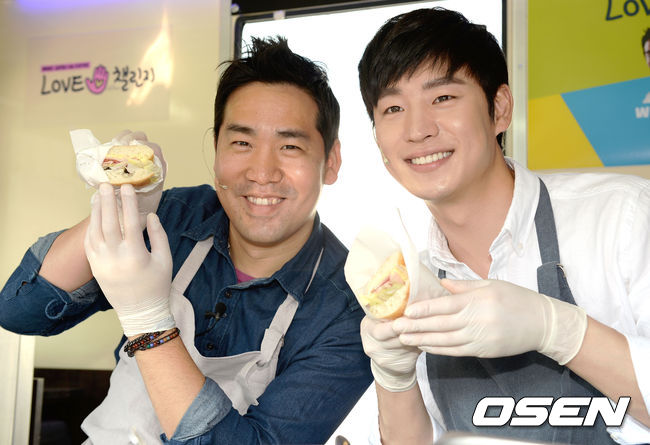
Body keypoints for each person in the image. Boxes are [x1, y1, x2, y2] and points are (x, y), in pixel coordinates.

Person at [0, 37, 372, 444]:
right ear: (216, 149)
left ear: (331, 161)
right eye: (242, 143)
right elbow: (19, 311)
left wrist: (148, 322)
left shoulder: (347, 309)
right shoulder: (178, 217)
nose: (262, 172)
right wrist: (120, 209)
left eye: (289, 146)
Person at [356, 8, 650, 445]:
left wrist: (559, 330)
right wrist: (393, 377)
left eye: (443, 98)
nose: (417, 130)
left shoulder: (623, 217)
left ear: (500, 109)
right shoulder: (413, 283)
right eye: (394, 108)